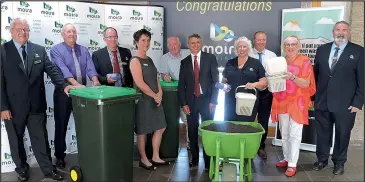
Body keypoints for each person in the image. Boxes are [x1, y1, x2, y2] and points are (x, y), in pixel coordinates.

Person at [0, 18, 72, 181]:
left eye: (25, 29)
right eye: (19, 29)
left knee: (41, 139)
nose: (23, 32)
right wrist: (3, 107)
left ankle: (48, 169)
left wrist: (64, 85)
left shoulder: (39, 50)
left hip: (36, 105)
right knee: (16, 140)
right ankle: (21, 169)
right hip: (12, 107)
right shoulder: (3, 51)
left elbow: (52, 70)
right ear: (11, 31)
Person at [312, 21, 364, 175]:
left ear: (349, 32)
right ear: (333, 32)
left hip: (346, 104)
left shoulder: (359, 51)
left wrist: (358, 102)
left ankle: (339, 162)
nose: (340, 32)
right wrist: (313, 97)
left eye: (344, 29)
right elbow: (316, 75)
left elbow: (363, 79)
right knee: (322, 133)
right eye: (337, 30)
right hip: (322, 101)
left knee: (342, 134)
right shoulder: (322, 50)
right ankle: (321, 159)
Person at [50, 23, 100, 169]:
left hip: (82, 95)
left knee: (85, 126)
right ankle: (59, 156)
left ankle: (87, 153)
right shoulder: (56, 50)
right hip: (64, 94)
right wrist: (76, 85)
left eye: (74, 31)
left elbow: (90, 69)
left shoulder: (84, 50)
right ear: (63, 34)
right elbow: (63, 71)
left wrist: (95, 81)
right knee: (61, 126)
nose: (72, 34)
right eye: (68, 31)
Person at [271, 35, 316, 177]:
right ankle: (286, 157)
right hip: (282, 100)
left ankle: (292, 164)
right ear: (284, 47)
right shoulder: (280, 61)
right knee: (284, 132)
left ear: (298, 46)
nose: (290, 47)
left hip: (298, 102)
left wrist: (292, 77)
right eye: (287, 44)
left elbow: (306, 84)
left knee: (294, 134)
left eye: (293, 44)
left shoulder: (305, 61)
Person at [178, 34, 219, 170]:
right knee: (192, 132)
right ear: (188, 45)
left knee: (208, 131)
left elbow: (215, 82)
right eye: (192, 43)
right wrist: (184, 103)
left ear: (201, 44)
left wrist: (214, 101)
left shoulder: (210, 58)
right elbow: (181, 85)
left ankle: (208, 162)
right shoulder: (184, 62)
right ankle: (195, 159)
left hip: (207, 101)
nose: (195, 45)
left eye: (197, 43)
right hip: (190, 102)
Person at [130, 29, 168, 170]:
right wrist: (154, 95)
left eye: (148, 40)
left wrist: (160, 93)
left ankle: (155, 157)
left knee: (161, 126)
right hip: (144, 101)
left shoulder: (149, 59)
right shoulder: (135, 61)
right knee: (143, 131)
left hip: (155, 99)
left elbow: (156, 78)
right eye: (143, 40)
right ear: (137, 43)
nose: (146, 43)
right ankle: (144, 159)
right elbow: (139, 83)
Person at [223, 36, 268, 122]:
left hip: (248, 103)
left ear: (249, 48)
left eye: (244, 46)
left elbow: (264, 82)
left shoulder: (256, 63)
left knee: (246, 128)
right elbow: (224, 79)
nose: (242, 49)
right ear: (236, 49)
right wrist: (224, 85)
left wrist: (255, 84)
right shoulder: (230, 62)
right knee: (229, 127)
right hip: (230, 102)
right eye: (239, 46)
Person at [249, 31, 277, 159]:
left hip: (266, 93)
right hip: (250, 93)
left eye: (263, 40)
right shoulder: (247, 54)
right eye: (258, 39)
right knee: (248, 120)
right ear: (254, 40)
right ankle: (248, 145)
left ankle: (261, 146)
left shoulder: (272, 56)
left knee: (264, 121)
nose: (261, 42)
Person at [159, 36, 190, 149]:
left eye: (175, 44)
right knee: (172, 118)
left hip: (187, 90)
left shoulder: (188, 53)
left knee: (187, 117)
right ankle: (170, 145)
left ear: (179, 44)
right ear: (167, 46)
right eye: (170, 45)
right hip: (172, 92)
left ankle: (189, 143)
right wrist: (164, 76)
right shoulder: (164, 58)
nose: (173, 47)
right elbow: (162, 74)